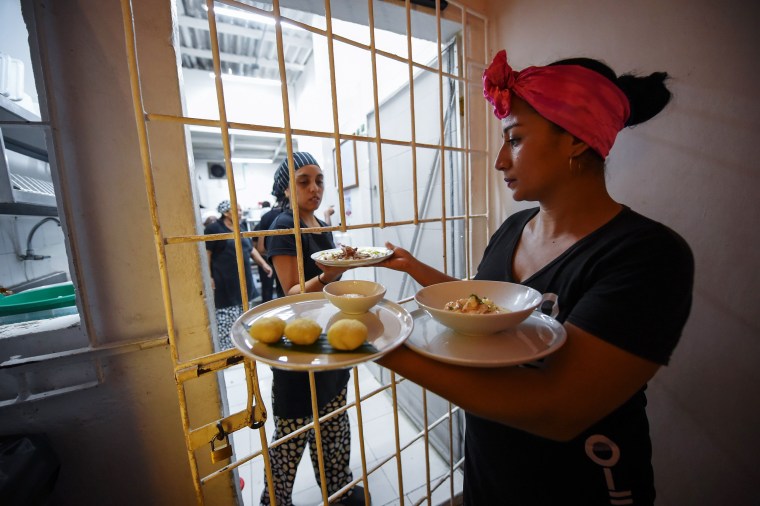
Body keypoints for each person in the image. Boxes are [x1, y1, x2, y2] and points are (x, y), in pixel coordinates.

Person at [366, 50, 695, 505]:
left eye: (515, 139)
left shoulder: (647, 255)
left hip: (582, 486)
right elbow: (483, 307)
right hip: (489, 477)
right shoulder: (512, 229)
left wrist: (371, 340)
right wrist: (412, 268)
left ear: (576, 139)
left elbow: (557, 408)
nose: (500, 160)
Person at [261, 152, 366, 506]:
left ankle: (339, 491)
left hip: (329, 339)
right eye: (303, 181)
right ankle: (274, 501)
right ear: (286, 188)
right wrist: (329, 275)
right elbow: (291, 291)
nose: (314, 188)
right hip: (298, 344)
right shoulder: (282, 226)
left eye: (319, 180)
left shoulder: (321, 225)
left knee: (334, 423)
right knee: (293, 433)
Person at [205, 200, 273, 350]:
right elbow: (207, 254)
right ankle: (229, 351)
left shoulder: (240, 227)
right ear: (225, 213)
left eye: (241, 210)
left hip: (243, 280)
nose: (240, 213)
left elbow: (250, 250)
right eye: (237, 210)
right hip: (224, 280)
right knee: (226, 317)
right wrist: (208, 276)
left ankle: (243, 346)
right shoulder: (214, 229)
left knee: (244, 314)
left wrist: (264, 264)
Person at [254, 189, 286, 303]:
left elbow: (261, 248)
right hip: (297, 264)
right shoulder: (299, 216)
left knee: (268, 289)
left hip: (268, 259)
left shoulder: (267, 217)